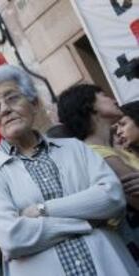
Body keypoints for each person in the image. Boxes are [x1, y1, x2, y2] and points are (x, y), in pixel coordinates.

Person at [0, 64, 139, 276]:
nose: (4, 109)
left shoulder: (75, 147)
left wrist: (42, 210)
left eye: (12, 98)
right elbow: (12, 238)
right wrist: (89, 220)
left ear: (33, 103)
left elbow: (113, 198)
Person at [57, 83, 139, 263]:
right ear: (90, 106)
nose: (112, 99)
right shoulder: (96, 154)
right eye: (103, 95)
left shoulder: (115, 149)